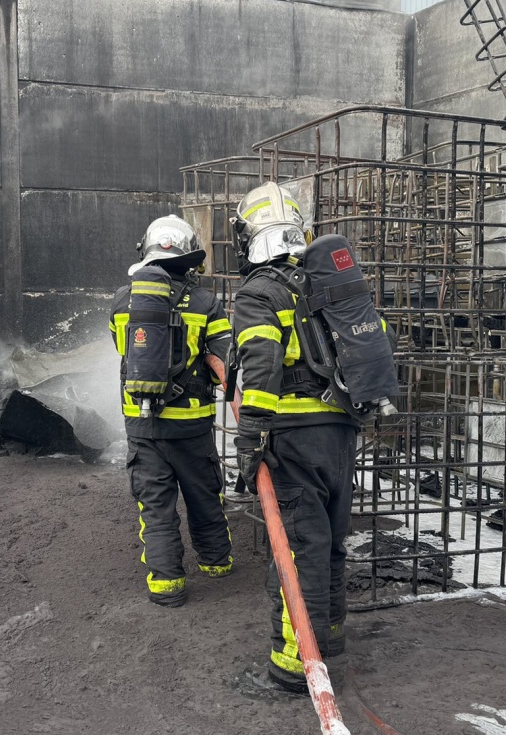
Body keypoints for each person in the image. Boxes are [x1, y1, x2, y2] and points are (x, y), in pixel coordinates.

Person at [229, 182, 358, 693]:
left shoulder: (260, 291)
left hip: (295, 436)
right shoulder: (327, 284)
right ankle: (328, 638)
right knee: (328, 542)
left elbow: (260, 364)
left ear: (251, 236)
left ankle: (292, 665)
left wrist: (251, 434)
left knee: (298, 548)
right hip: (340, 432)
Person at [110, 215, 235, 608]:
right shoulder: (206, 302)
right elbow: (226, 359)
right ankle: (216, 563)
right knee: (203, 495)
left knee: (156, 506)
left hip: (143, 426)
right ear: (188, 254)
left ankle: (167, 585)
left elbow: (125, 352)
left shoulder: (121, 300)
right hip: (192, 425)